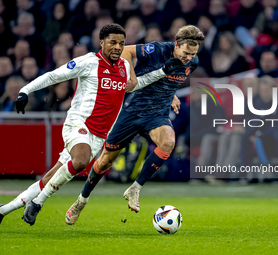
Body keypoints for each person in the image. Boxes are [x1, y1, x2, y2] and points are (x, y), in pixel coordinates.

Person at [0, 23, 184, 225]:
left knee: (51, 177)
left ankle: (4, 210)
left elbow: (134, 85)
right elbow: (54, 75)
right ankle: (38, 203)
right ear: (101, 42)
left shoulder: (124, 67)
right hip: (78, 124)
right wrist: (25, 90)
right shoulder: (88, 62)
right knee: (80, 160)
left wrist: (162, 71)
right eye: (112, 42)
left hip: (99, 135)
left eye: (121, 44)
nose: (117, 47)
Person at [64, 25, 205, 225]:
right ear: (176, 45)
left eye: (193, 54)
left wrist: (171, 94)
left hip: (157, 114)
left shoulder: (193, 62)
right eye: (185, 53)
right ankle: (81, 200)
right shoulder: (157, 49)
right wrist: (131, 77)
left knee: (168, 142)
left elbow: (170, 79)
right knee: (105, 162)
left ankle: (135, 188)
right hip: (131, 111)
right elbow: (127, 51)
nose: (189, 57)